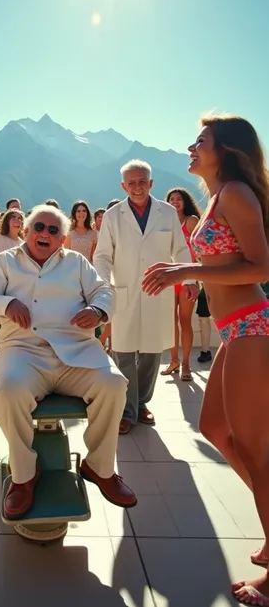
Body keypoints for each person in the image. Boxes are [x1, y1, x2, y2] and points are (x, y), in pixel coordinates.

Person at [142, 115, 269, 606]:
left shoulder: (236, 191)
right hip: (233, 330)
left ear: (226, 149)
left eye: (201, 141)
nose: (191, 147)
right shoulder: (219, 196)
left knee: (257, 450)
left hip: (254, 327)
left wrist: (186, 270)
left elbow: (262, 264)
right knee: (216, 428)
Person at [0, 205, 136, 519]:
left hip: (75, 352)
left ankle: (99, 467)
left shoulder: (76, 263)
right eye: (39, 227)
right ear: (27, 231)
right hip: (23, 352)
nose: (44, 234)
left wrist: (98, 311)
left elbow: (105, 291)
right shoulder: (6, 262)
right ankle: (24, 476)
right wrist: (7, 304)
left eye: (52, 231)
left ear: (62, 239)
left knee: (114, 384)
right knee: (7, 391)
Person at [94, 160, 199, 434]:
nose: (137, 187)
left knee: (152, 351)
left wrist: (189, 279)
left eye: (142, 182)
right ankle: (127, 411)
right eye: (131, 183)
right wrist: (102, 284)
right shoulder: (113, 216)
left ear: (151, 183)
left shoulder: (167, 213)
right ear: (123, 186)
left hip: (158, 290)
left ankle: (141, 404)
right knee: (124, 351)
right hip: (124, 290)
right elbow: (103, 256)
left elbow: (180, 249)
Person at [163, 187, 201, 381]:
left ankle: (186, 364)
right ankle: (174, 361)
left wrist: (198, 276)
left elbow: (201, 248)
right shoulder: (164, 223)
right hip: (169, 279)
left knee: (184, 320)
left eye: (178, 199)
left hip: (188, 279)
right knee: (170, 323)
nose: (175, 202)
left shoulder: (191, 221)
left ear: (185, 201)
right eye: (171, 199)